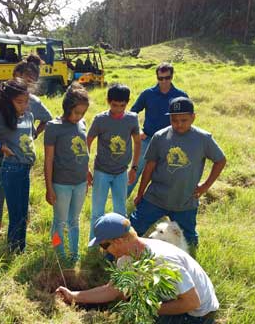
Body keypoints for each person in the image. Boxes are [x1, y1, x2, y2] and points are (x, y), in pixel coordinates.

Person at [56, 213, 219, 324]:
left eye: (104, 245)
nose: (103, 250)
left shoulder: (161, 259)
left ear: (118, 241)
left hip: (197, 314)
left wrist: (147, 309)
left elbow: (192, 302)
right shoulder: (126, 259)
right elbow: (113, 291)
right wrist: (73, 296)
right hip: (175, 300)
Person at [130, 97, 226, 252]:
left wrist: (205, 186)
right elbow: (149, 167)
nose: (179, 124)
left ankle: (189, 268)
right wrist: (140, 193)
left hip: (185, 201)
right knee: (134, 228)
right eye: (175, 120)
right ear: (169, 118)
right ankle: (113, 260)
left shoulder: (203, 139)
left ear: (193, 117)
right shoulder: (160, 137)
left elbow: (220, 160)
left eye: (184, 120)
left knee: (188, 239)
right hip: (156, 197)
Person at [0, 54, 52, 235]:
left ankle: (18, 231)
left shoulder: (29, 101)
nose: (26, 87)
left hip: (18, 160)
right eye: (24, 80)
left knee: (19, 198)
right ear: (14, 74)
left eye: (31, 84)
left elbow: (47, 119)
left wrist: (33, 135)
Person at [0, 79, 35, 252]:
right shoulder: (2, 119)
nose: (24, 106)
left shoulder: (29, 116)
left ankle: (22, 248)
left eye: (26, 101)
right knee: (15, 213)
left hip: (25, 170)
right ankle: (13, 250)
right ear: (8, 101)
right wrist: (0, 147)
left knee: (23, 213)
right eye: (19, 102)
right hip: (11, 169)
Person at [87, 84, 141, 240]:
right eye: (114, 105)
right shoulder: (100, 120)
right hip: (102, 171)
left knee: (120, 211)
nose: (118, 109)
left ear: (128, 103)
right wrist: (86, 167)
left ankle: (121, 241)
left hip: (121, 172)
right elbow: (87, 142)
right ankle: (95, 242)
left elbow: (137, 143)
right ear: (108, 102)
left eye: (122, 105)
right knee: (97, 211)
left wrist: (134, 168)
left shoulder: (132, 118)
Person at [44, 83, 90, 263]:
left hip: (80, 182)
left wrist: (87, 171)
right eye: (77, 112)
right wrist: (49, 188)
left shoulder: (82, 124)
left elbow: (83, 151)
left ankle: (74, 253)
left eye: (83, 113)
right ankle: (58, 251)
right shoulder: (53, 127)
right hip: (61, 184)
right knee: (60, 221)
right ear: (67, 107)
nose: (80, 117)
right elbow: (48, 160)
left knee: (75, 220)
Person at [127, 63, 188, 197]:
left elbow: (187, 118)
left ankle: (158, 204)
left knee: (167, 174)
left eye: (167, 78)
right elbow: (132, 113)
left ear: (172, 77)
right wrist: (138, 132)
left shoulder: (180, 96)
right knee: (134, 171)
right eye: (161, 78)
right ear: (157, 78)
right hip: (147, 140)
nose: (164, 81)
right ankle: (120, 204)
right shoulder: (148, 94)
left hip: (171, 142)